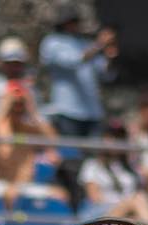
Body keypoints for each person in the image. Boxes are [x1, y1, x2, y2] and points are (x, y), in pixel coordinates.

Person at [40, 8, 117, 141]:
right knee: (71, 152)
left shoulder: (85, 43)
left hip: (93, 112)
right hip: (68, 110)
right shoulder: (53, 42)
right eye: (72, 22)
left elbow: (105, 74)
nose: (76, 25)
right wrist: (99, 44)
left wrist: (110, 57)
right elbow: (73, 61)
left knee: (93, 153)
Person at [0, 83, 65, 211]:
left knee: (61, 195)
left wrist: (32, 110)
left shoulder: (28, 129)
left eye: (21, 105)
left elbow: (54, 140)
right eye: (15, 105)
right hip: (2, 184)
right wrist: (4, 106)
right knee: (12, 195)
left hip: (27, 185)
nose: (17, 109)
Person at [0, 36, 36, 118]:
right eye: (9, 64)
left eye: (17, 64)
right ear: (1, 63)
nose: (13, 68)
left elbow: (38, 117)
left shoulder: (30, 88)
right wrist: (5, 106)